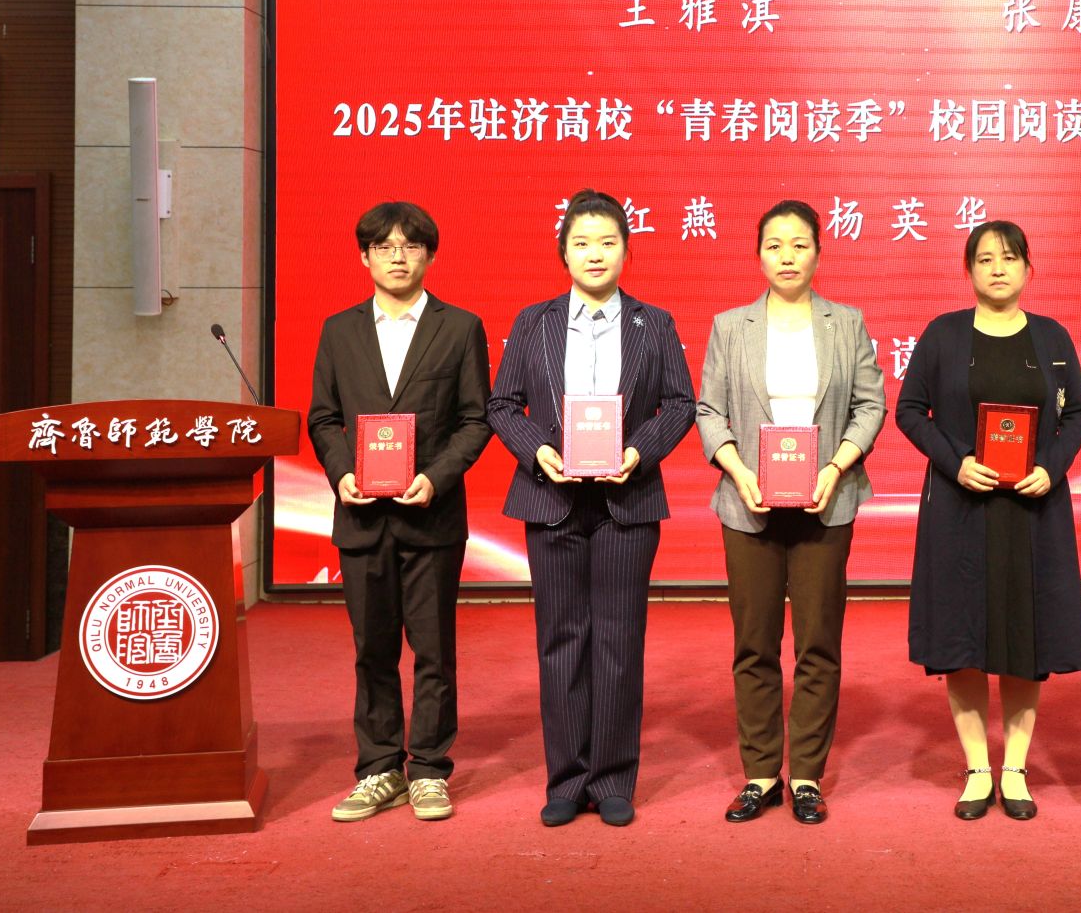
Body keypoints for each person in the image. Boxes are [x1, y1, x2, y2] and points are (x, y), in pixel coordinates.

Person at [486, 188, 696, 827]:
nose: (595, 253)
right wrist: (537, 451)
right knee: (561, 639)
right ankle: (566, 779)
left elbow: (680, 404)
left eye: (607, 241)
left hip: (626, 501)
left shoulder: (654, 324)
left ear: (626, 250)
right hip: (551, 497)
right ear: (564, 253)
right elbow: (502, 404)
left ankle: (611, 779)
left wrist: (639, 452)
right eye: (582, 242)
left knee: (618, 639)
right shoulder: (535, 322)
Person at [695, 200, 888, 825]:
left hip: (825, 502)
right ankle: (759, 774)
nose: (787, 256)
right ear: (758, 255)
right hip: (747, 502)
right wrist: (740, 471)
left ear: (818, 253)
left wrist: (835, 468)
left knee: (817, 643)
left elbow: (870, 405)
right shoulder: (731, 326)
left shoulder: (845, 323)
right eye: (775, 245)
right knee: (753, 644)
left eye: (800, 245)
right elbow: (709, 410)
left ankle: (805, 775)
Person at [898, 220, 1081, 821]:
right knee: (962, 639)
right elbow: (910, 410)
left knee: (1024, 639)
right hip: (961, 508)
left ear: (1029, 268)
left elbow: (1079, 416)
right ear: (969, 271)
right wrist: (956, 463)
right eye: (985, 259)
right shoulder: (943, 334)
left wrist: (1051, 468)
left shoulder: (1051, 336)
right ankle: (978, 767)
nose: (998, 268)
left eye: (1009, 258)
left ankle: (1016, 769)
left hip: (1032, 510)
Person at [307, 201, 492, 823]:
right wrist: (343, 473)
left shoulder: (459, 327)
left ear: (429, 255)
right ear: (364, 257)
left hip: (431, 517)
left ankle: (431, 770)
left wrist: (435, 478)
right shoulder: (339, 330)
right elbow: (324, 418)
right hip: (362, 518)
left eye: (410, 246)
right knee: (373, 650)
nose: (397, 257)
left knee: (434, 651)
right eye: (384, 247)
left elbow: (476, 419)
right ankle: (379, 768)